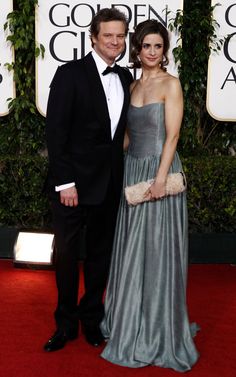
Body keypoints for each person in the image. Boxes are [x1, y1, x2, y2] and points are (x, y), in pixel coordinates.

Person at [100, 20, 199, 371]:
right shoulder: (132, 86)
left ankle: (158, 329)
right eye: (147, 46)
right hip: (133, 172)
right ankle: (130, 321)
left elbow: (171, 137)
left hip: (160, 173)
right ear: (137, 49)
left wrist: (160, 180)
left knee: (157, 251)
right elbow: (127, 137)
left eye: (158, 46)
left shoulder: (171, 85)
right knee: (131, 250)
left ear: (164, 50)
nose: (153, 52)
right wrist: (102, 156)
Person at [44, 8, 133, 352]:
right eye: (109, 35)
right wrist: (65, 182)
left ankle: (91, 320)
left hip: (108, 185)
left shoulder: (125, 77)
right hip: (72, 188)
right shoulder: (70, 74)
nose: (115, 41)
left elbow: (122, 134)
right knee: (66, 255)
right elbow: (56, 130)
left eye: (121, 36)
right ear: (93, 37)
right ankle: (65, 323)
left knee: (100, 257)